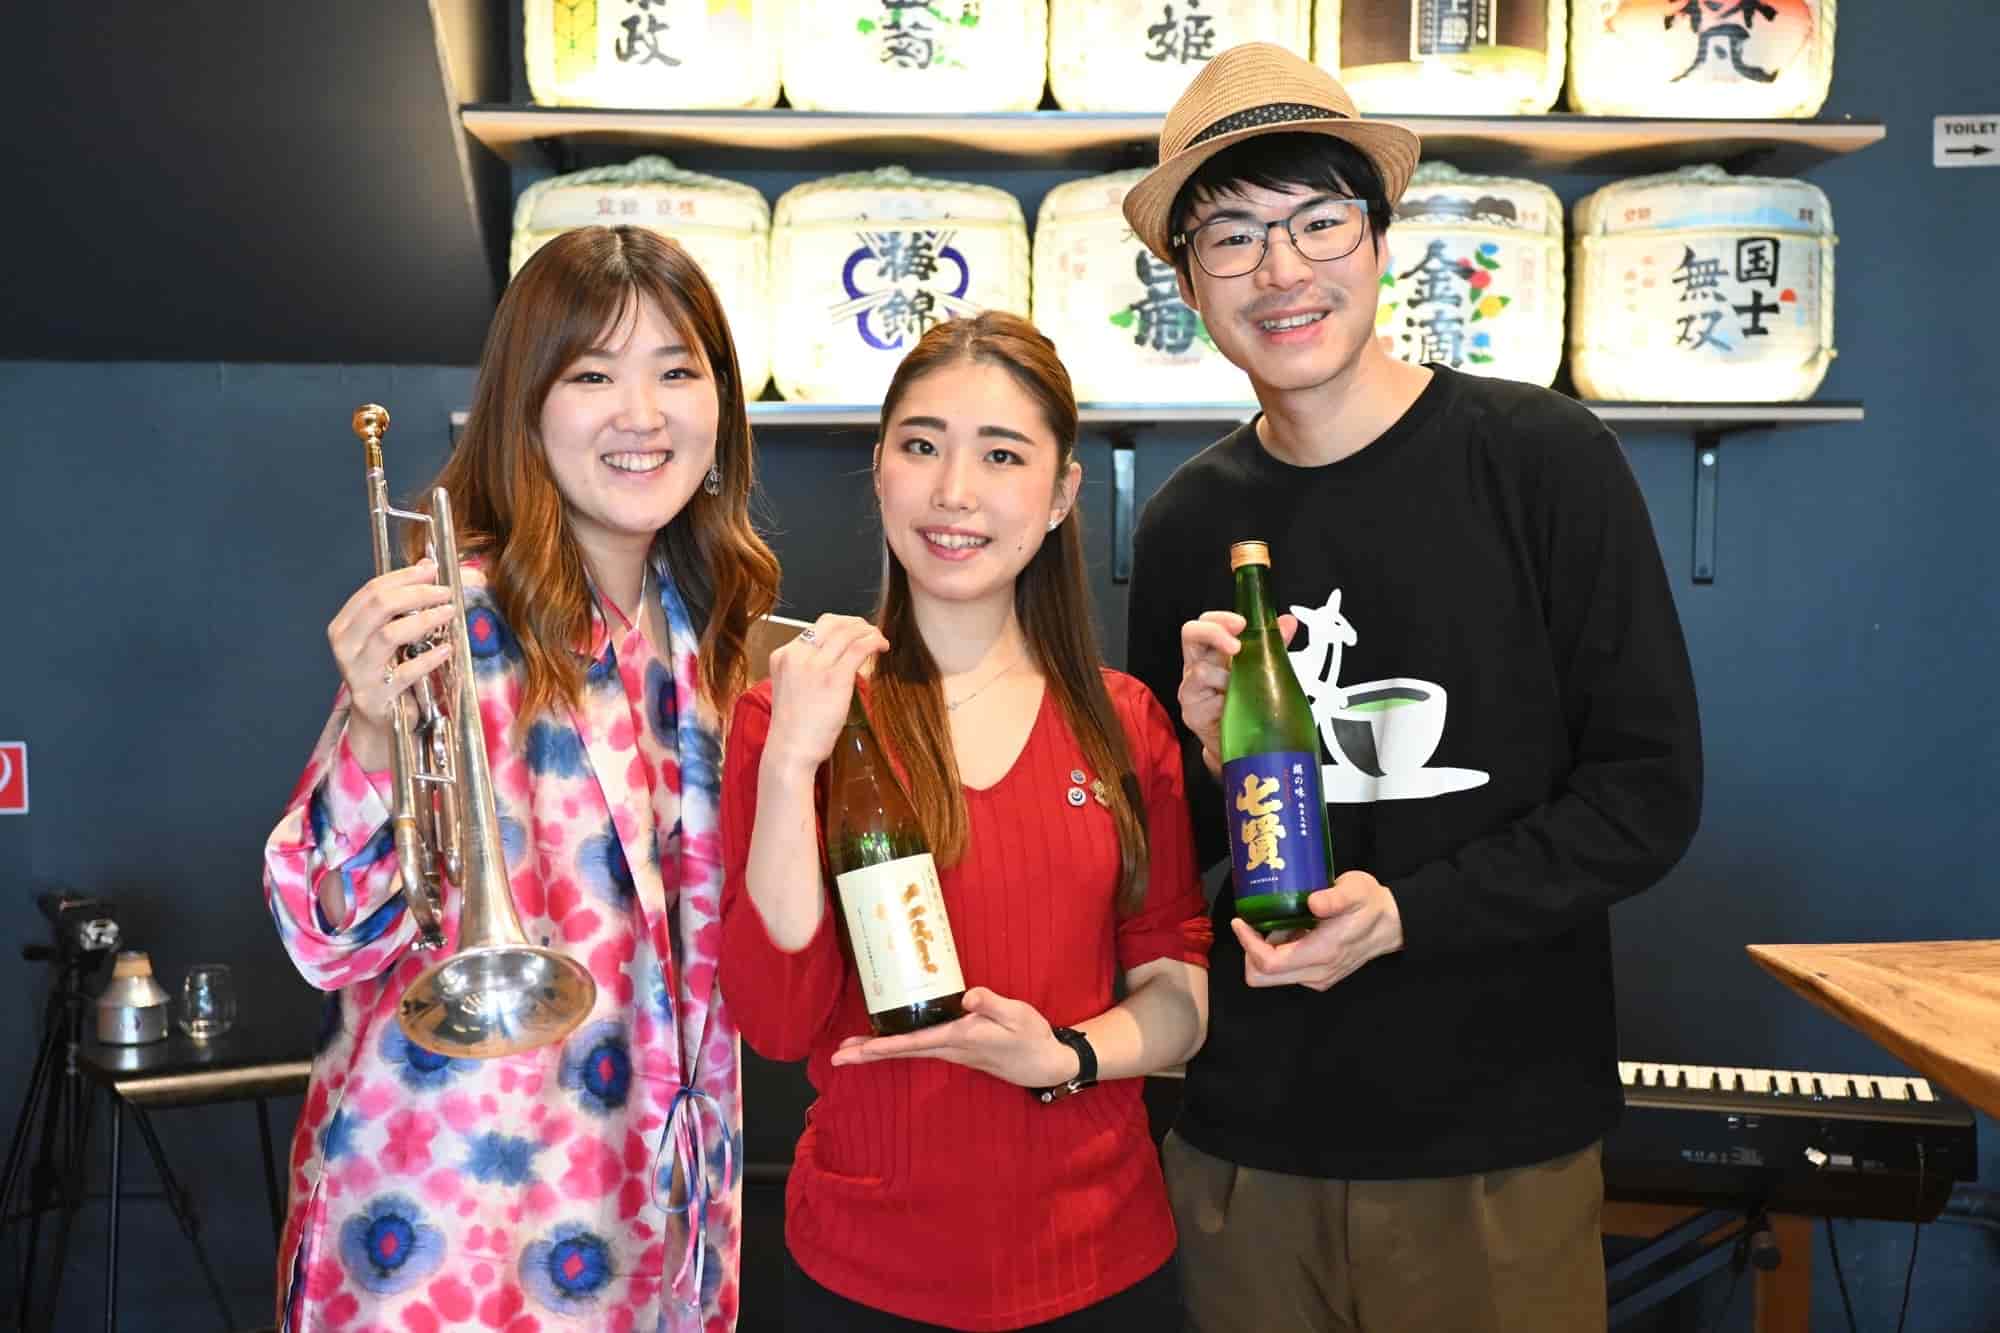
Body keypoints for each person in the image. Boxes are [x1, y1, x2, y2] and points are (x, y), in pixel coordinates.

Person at [1119, 43, 1705, 1333]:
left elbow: (1644, 795)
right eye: (1230, 237)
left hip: (1494, 1145)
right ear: (1186, 279)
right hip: (1248, 1145)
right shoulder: (1184, 524)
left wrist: (1406, 916)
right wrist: (1208, 760)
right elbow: (1182, 860)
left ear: (1378, 238)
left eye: (1316, 220)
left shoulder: (1541, 460)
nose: (1281, 269)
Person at [262, 225, 779, 1333]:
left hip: (658, 1211)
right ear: (525, 407)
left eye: (676, 372)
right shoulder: (449, 612)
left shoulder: (720, 635)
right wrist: (369, 729)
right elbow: (323, 934)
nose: (641, 414)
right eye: (592, 375)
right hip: (446, 1223)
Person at [718, 311, 1212, 1331]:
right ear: (879, 470)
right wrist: (794, 761)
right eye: (920, 445)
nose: (953, 491)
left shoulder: (1123, 721)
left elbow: (1178, 987)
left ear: (1061, 492)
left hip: (1103, 1260)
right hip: (862, 1270)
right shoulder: (792, 714)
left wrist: (1064, 1055)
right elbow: (773, 1020)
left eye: (1001, 454)